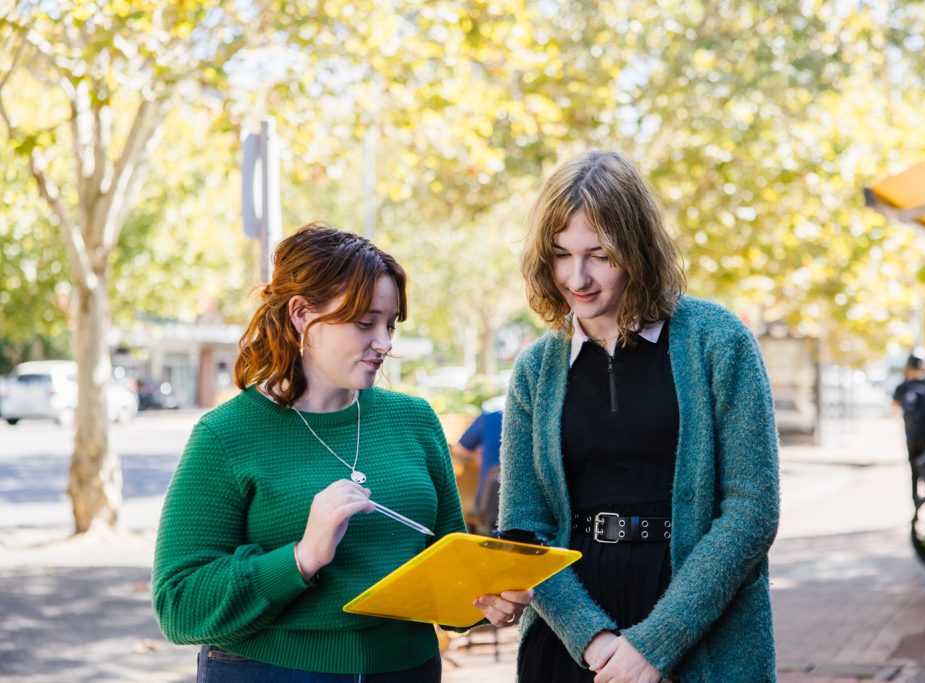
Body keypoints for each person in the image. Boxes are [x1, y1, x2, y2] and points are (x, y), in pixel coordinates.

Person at [152, 224, 530, 682]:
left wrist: (486, 602)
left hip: (408, 670)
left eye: (390, 324)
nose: (385, 344)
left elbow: (448, 579)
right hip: (273, 671)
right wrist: (301, 557)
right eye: (364, 323)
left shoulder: (414, 420)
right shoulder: (226, 434)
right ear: (300, 315)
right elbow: (179, 605)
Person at [499, 150, 780, 683]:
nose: (577, 278)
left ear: (638, 249)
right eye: (560, 254)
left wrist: (653, 646)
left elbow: (752, 510)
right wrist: (593, 639)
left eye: (600, 255)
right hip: (569, 630)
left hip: (697, 628)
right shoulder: (536, 368)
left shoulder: (718, 341)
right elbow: (525, 527)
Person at [451, 395, 505, 512]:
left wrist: (479, 456)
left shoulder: (490, 417)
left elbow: (459, 449)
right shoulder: (539, 419)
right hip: (533, 506)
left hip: (490, 502)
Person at [892, 354, 925, 466]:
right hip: (922, 432)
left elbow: (894, 406)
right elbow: (894, 405)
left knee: (920, 469)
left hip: (920, 432)